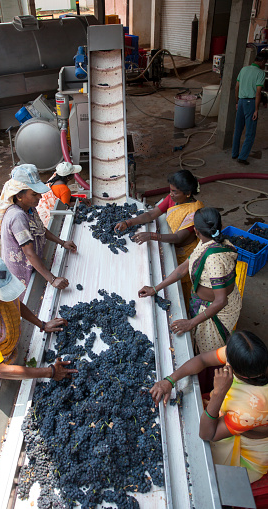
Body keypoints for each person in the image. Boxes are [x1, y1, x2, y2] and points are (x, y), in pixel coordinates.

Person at [0, 253, 78, 419]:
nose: (5, 295)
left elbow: (15, 305)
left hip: (6, 358)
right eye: (0, 293)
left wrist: (42, 324)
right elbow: (0, 370)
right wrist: (50, 372)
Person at [150, 330, 268, 483]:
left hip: (245, 451)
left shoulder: (254, 407)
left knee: (196, 467)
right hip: (233, 423)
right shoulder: (251, 361)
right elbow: (203, 360)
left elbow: (207, 435)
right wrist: (170, 381)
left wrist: (219, 393)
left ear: (240, 373)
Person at [139, 208, 242, 354]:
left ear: (196, 231)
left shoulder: (214, 259)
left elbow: (221, 301)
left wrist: (190, 323)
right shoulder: (207, 242)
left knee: (210, 354)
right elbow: (182, 269)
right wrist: (155, 288)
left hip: (217, 312)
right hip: (206, 306)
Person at [115, 170, 203, 308]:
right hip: (174, 247)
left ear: (188, 193)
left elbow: (178, 237)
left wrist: (151, 236)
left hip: (186, 253)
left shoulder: (194, 211)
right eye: (170, 190)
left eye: (175, 192)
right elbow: (151, 215)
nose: (171, 194)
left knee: (184, 289)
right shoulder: (172, 199)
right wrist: (128, 223)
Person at [0, 164, 77, 299]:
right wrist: (52, 279)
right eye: (34, 194)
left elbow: (40, 229)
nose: (39, 196)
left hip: (33, 262)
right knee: (28, 297)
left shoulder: (29, 208)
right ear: (19, 196)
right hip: (22, 270)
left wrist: (62, 243)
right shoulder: (17, 217)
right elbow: (28, 252)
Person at [231, 54, 266, 165]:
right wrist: (256, 109)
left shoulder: (244, 69)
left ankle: (234, 153)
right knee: (250, 133)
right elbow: (258, 92)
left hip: (241, 101)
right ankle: (242, 157)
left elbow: (236, 88)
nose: (265, 65)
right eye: (265, 62)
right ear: (262, 61)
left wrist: (237, 102)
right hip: (250, 103)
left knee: (238, 129)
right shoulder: (260, 73)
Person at [36, 161, 90, 227]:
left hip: (39, 213)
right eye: (73, 174)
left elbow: (64, 196)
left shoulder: (54, 179)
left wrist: (80, 199)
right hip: (47, 220)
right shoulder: (65, 190)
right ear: (69, 177)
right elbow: (64, 210)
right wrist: (78, 204)